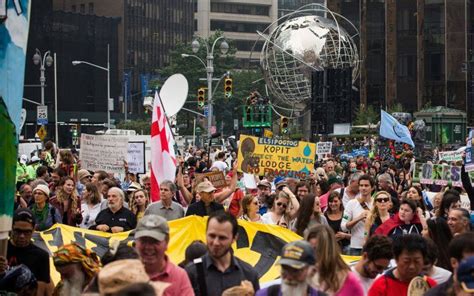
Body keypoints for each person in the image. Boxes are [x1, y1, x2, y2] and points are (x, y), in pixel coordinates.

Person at [185, 211, 260, 295]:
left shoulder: (249, 274)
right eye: (212, 236)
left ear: (234, 238)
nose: (216, 242)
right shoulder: (191, 272)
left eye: (222, 238)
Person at [134, 215, 193, 295]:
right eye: (144, 241)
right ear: (136, 242)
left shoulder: (179, 276)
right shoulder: (124, 274)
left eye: (154, 241)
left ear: (167, 242)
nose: (148, 247)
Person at [0, 209, 52, 296]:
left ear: (34, 229)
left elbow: (40, 291)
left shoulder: (41, 256)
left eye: (27, 232)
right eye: (18, 231)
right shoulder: (2, 249)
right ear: (11, 228)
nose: (22, 236)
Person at [367, 234, 437, 296]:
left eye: (416, 261)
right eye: (406, 261)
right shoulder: (381, 287)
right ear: (396, 260)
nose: (412, 266)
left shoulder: (431, 286)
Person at [306, 224, 364, 295]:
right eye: (309, 249)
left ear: (329, 250)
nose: (312, 254)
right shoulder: (305, 275)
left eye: (317, 250)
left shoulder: (349, 279)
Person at [256, 240, 326, 296]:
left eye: (295, 271)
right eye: (285, 270)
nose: (289, 277)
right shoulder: (267, 293)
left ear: (313, 271)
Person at [341, 174, 374, 255]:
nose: (363, 188)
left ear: (372, 187)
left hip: (373, 247)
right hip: (356, 247)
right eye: (361, 185)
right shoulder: (351, 203)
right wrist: (359, 218)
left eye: (366, 185)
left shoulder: (377, 203)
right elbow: (343, 227)